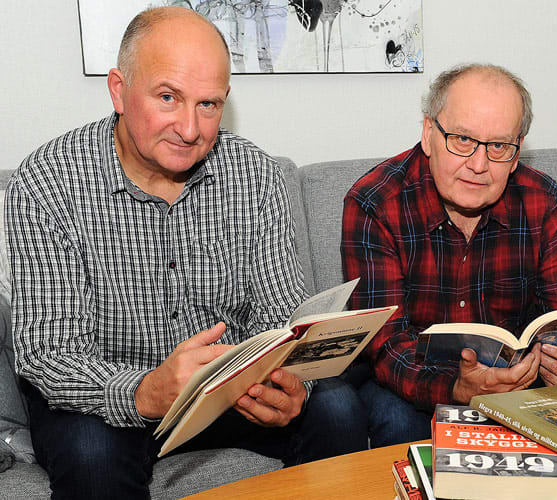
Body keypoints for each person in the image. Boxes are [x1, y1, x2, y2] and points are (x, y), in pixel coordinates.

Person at [7, 7, 366, 499]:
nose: (190, 128)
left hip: (230, 391)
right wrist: (144, 391)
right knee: (91, 458)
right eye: (168, 97)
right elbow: (50, 352)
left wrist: (291, 384)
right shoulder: (48, 183)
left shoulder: (256, 176)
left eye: (208, 104)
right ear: (118, 90)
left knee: (338, 408)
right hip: (108, 396)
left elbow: (280, 316)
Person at [341, 63, 557, 446]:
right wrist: (457, 388)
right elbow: (384, 346)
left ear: (516, 154)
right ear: (428, 134)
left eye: (498, 146)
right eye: (462, 139)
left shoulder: (544, 202)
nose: (479, 165)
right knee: (396, 418)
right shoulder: (375, 203)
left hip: (517, 378)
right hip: (411, 380)